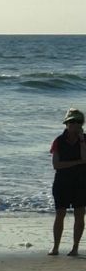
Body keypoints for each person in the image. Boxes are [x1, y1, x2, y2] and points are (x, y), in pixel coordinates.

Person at [49, 108, 86, 256]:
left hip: (82, 182)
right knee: (60, 213)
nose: (75, 125)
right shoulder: (58, 141)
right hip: (62, 182)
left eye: (78, 122)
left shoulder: (85, 139)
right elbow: (56, 165)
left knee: (80, 214)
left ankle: (75, 247)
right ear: (66, 123)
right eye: (72, 122)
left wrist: (82, 141)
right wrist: (77, 162)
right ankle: (56, 246)